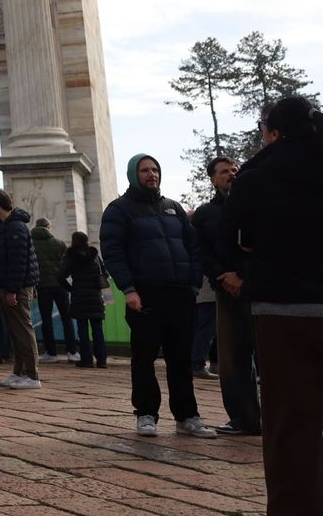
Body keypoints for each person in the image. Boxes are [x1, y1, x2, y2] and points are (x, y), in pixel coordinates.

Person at [225, 95, 323, 516]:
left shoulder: (260, 174)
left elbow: (238, 238)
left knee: (290, 423)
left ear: (273, 132)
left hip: (286, 310)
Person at [99, 153, 216, 439]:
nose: (151, 174)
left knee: (180, 358)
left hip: (180, 294)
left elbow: (193, 248)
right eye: (145, 170)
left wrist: (193, 285)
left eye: (155, 169)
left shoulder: (173, 208)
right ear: (133, 175)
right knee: (144, 357)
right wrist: (128, 289)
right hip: (145, 295)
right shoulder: (119, 210)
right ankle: (146, 413)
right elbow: (113, 252)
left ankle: (187, 416)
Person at [192, 155, 260, 436]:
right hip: (226, 291)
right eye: (224, 171)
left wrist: (244, 276)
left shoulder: (258, 204)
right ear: (213, 179)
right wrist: (223, 276)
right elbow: (201, 250)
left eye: (234, 169)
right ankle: (245, 419)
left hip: (258, 289)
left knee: (272, 358)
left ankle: (279, 418)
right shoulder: (205, 213)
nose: (231, 173)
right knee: (233, 360)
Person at [0, 190, 40, 389]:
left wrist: (12, 290)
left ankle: (32, 375)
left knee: (23, 331)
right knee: (16, 332)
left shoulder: (15, 227)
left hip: (17, 288)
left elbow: (18, 262)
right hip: (10, 286)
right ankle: (19, 372)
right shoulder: (8, 226)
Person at [58, 231, 108, 368]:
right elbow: (104, 273)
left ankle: (86, 360)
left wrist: (70, 288)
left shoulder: (71, 256)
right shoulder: (95, 255)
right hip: (95, 296)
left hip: (79, 296)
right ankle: (102, 360)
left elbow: (60, 275)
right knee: (98, 330)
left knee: (82, 329)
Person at [30, 216, 76, 361]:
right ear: (48, 227)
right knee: (66, 318)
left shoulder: (31, 244)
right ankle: (72, 352)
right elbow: (67, 263)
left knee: (46, 320)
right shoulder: (59, 243)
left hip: (42, 286)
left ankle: (51, 353)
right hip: (60, 285)